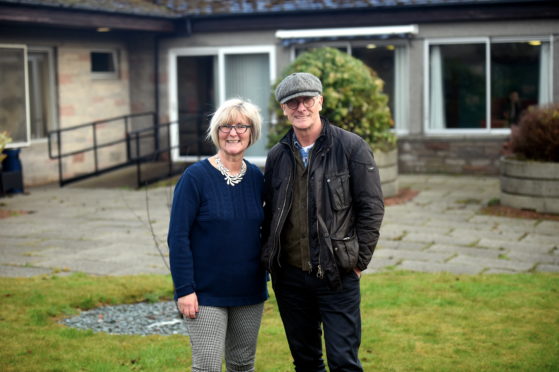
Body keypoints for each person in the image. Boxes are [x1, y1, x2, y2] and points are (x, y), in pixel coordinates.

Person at [261, 72, 385, 372]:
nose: (300, 107)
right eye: (292, 102)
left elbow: (371, 208)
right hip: (290, 279)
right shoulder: (277, 156)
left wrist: (358, 263)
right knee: (305, 362)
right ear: (284, 109)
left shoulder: (351, 147)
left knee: (343, 362)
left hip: (337, 275)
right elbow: (268, 213)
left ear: (320, 102)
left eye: (306, 100)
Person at [168, 98, 268, 372]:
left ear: (252, 133)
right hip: (205, 293)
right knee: (207, 367)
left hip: (249, 292)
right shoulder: (195, 178)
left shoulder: (257, 179)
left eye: (241, 126)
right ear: (216, 131)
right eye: (225, 126)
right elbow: (178, 237)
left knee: (242, 365)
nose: (233, 133)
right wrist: (185, 289)